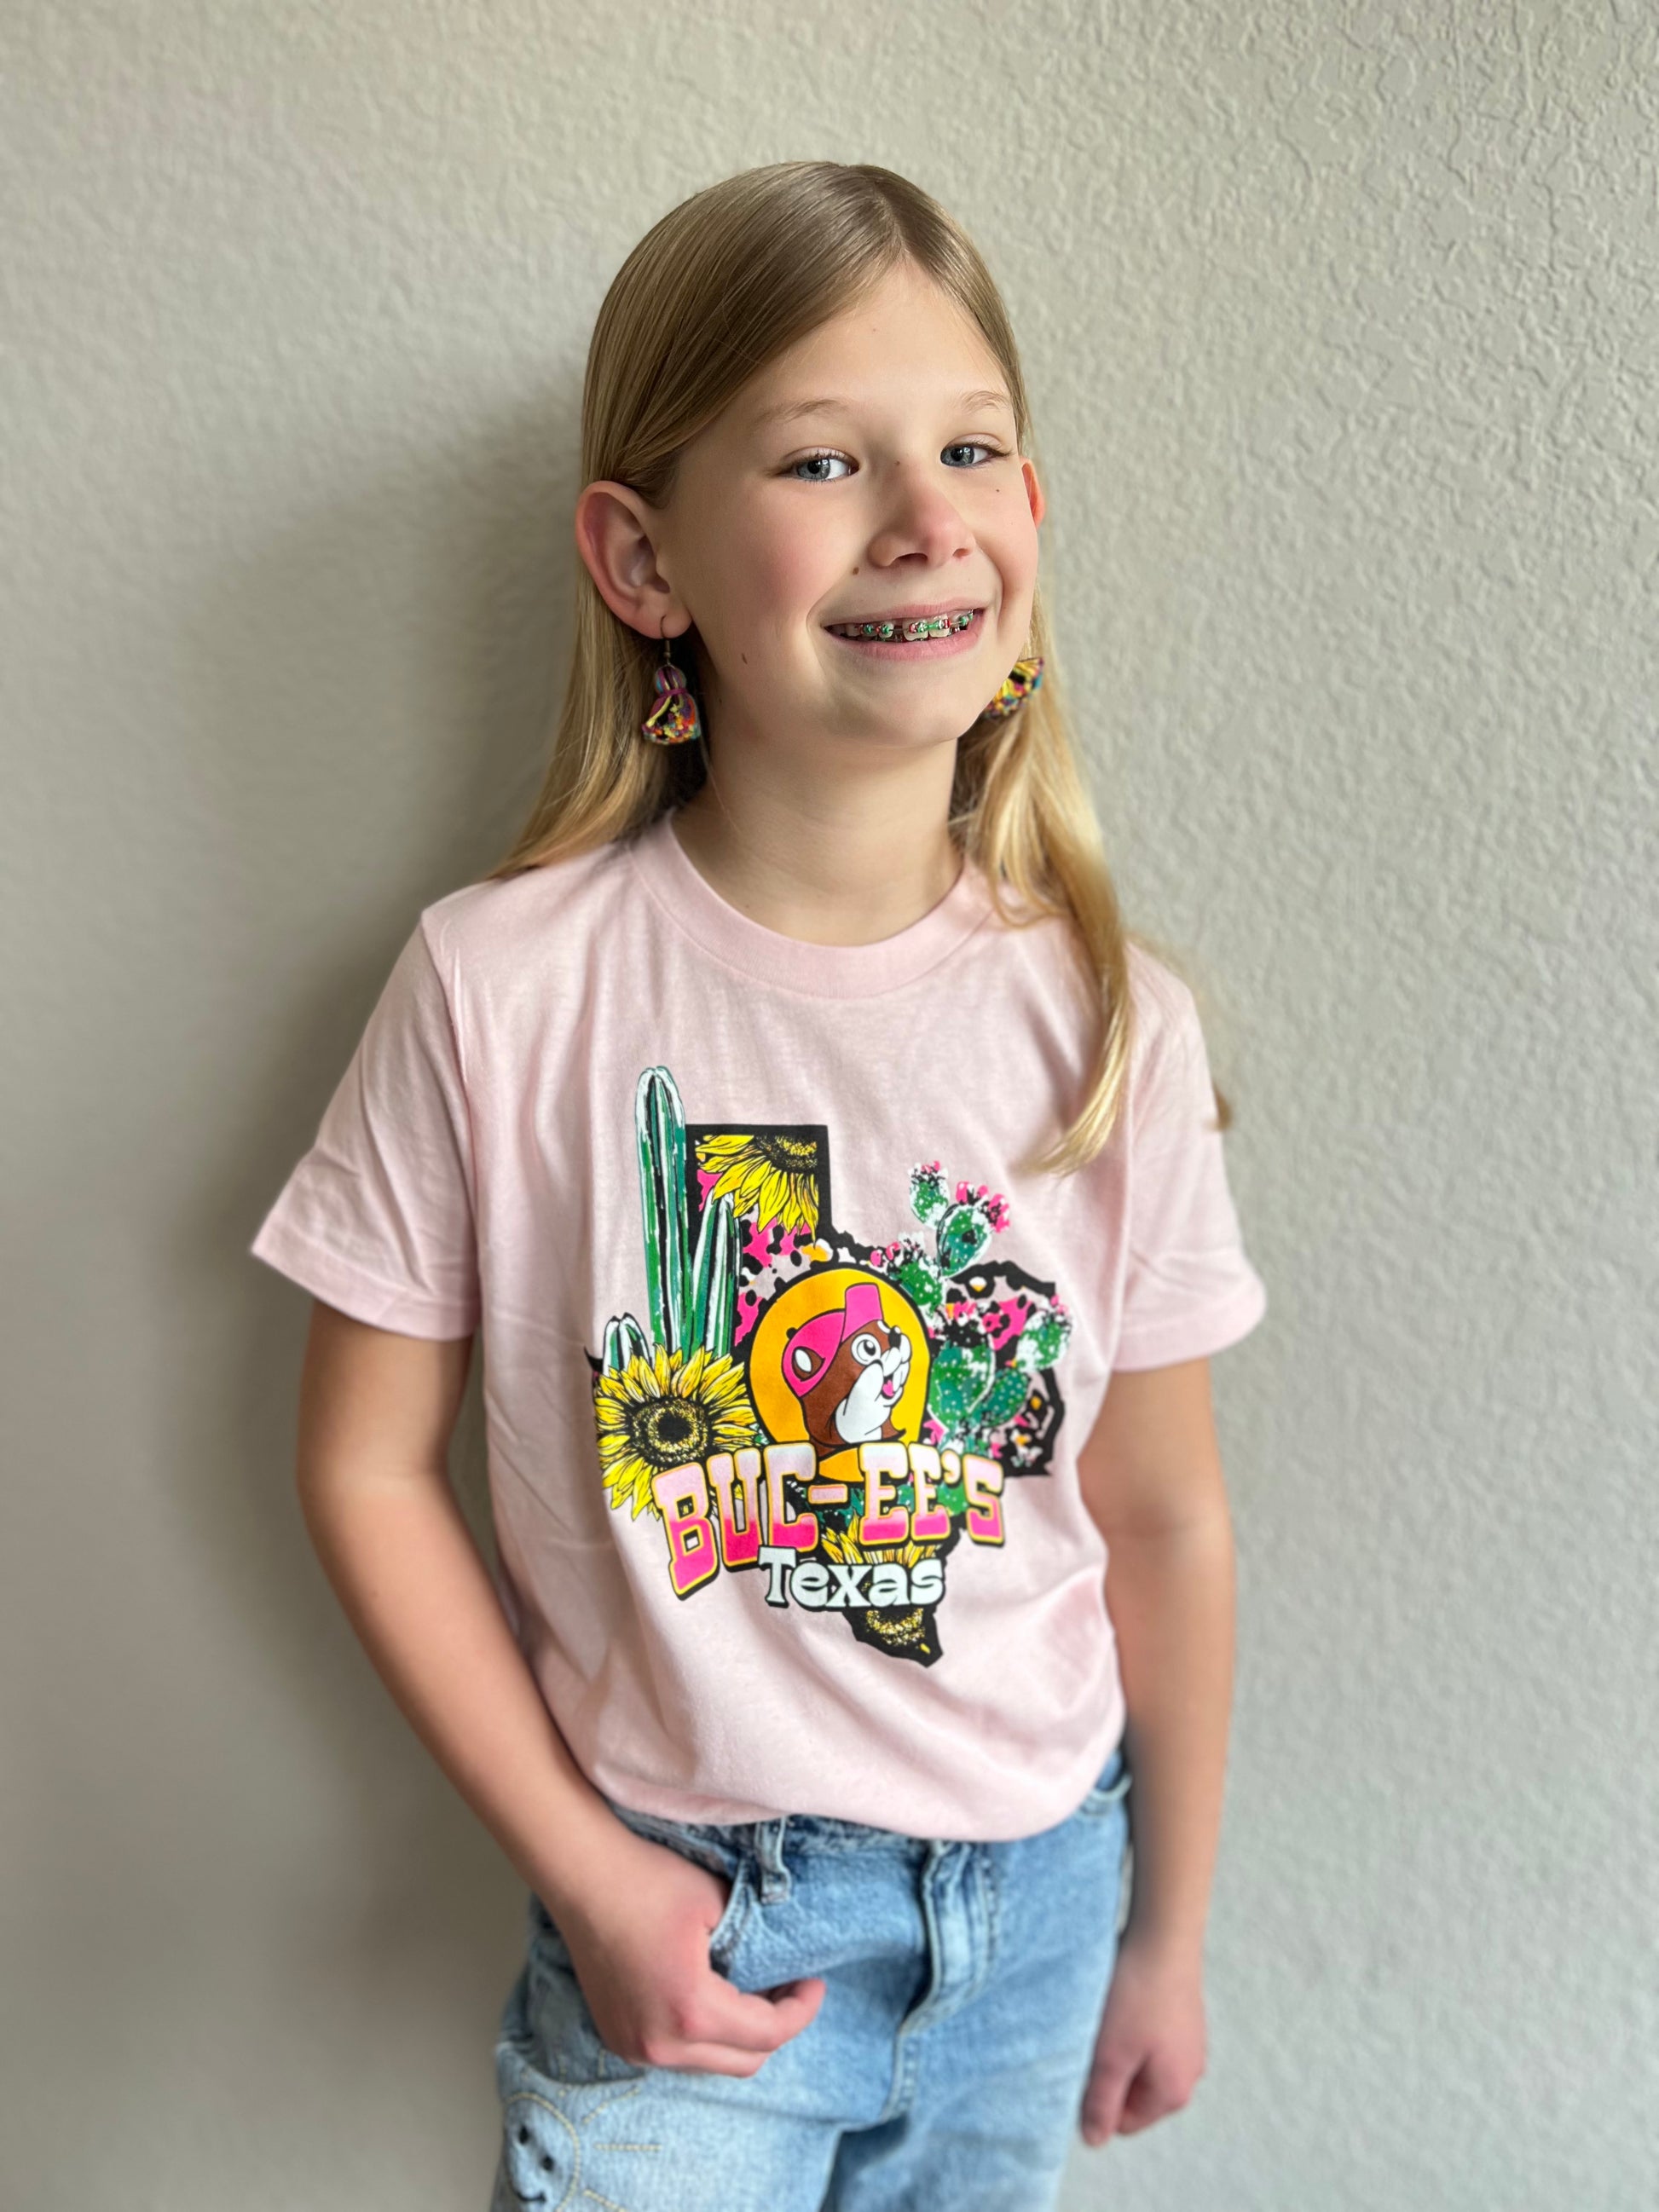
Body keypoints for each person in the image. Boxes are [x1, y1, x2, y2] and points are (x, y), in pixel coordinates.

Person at [250, 160, 1269, 2212]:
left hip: (1040, 1894)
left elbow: (1160, 1509)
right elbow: (365, 1465)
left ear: (1033, 518)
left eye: (972, 444)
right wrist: (590, 1873)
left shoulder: (1109, 1016)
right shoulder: (501, 984)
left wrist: (1164, 1924)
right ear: (643, 558)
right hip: (692, 1921)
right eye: (824, 455)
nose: (924, 512)